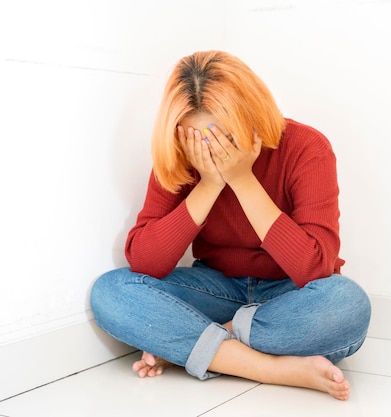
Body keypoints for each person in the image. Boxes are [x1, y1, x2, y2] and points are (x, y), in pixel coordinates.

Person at [90, 50, 371, 401]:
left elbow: (315, 267)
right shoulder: (181, 153)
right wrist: (209, 184)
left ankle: (195, 345)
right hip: (217, 289)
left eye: (226, 139)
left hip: (290, 294)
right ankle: (272, 367)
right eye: (202, 141)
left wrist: (242, 179)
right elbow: (146, 262)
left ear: (252, 117)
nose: (215, 152)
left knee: (347, 306)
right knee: (112, 293)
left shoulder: (306, 147)